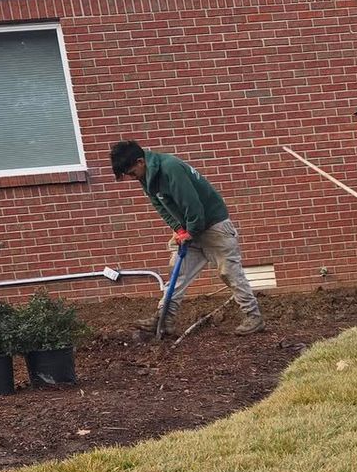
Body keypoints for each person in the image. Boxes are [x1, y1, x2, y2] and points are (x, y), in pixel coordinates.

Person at [109, 140, 265, 335]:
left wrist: (191, 231)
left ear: (140, 161)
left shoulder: (170, 168)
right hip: (190, 228)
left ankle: (253, 317)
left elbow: (193, 205)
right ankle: (164, 320)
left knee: (230, 272)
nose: (132, 178)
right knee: (178, 273)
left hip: (213, 226)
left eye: (132, 173)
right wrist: (178, 229)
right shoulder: (146, 176)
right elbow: (160, 207)